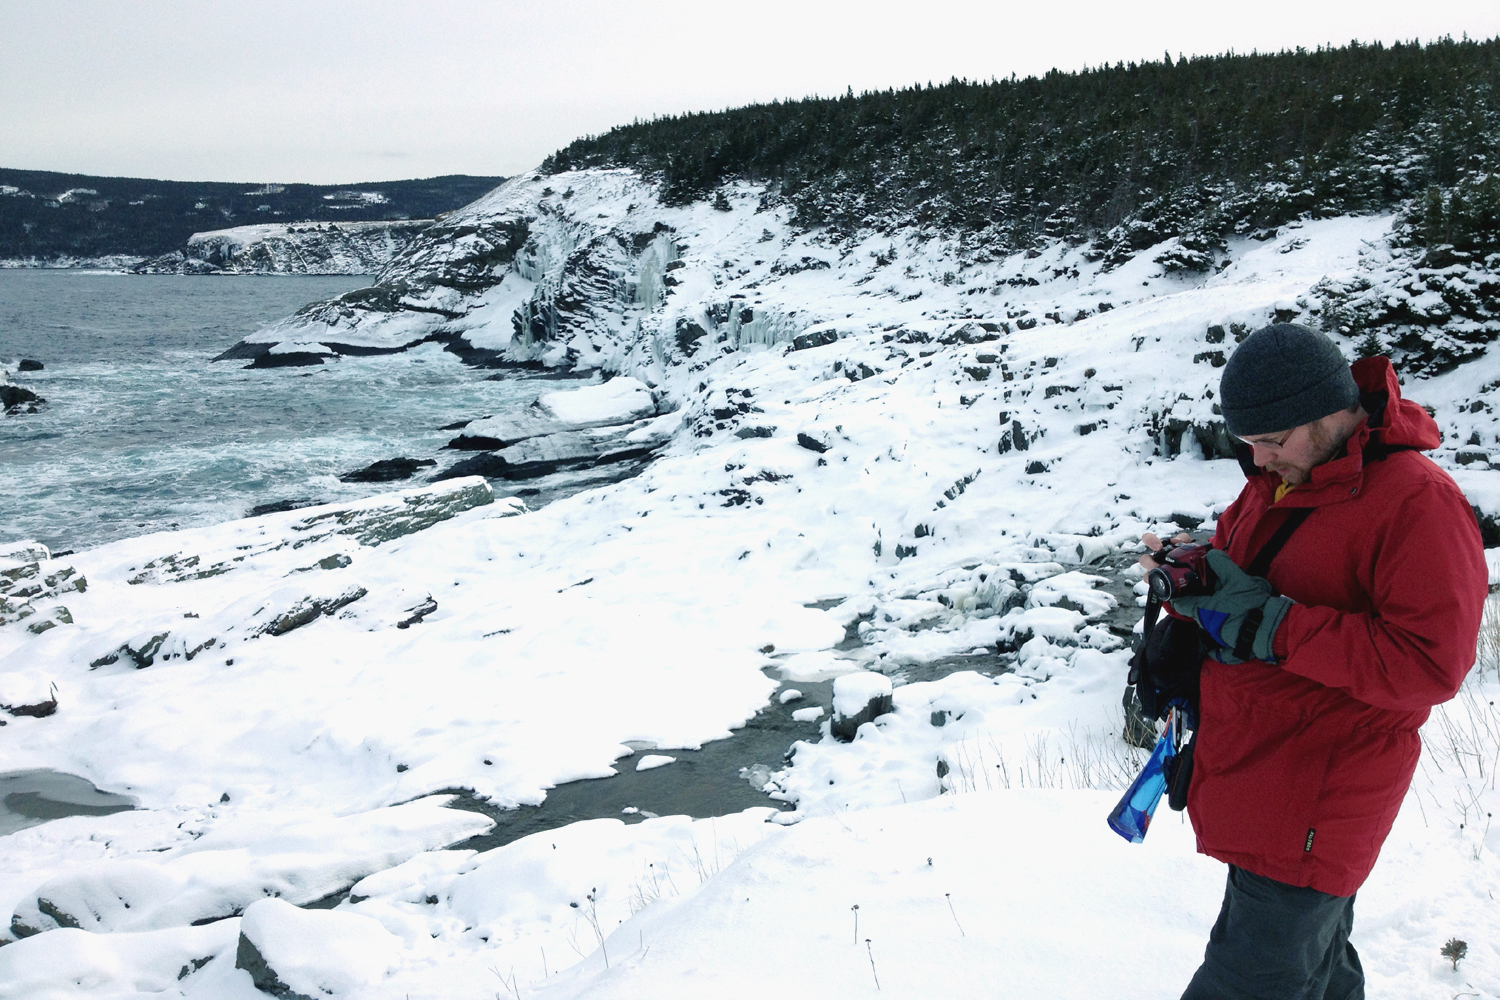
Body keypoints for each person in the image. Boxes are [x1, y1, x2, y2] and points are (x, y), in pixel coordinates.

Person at [1153, 323, 1488, 1000]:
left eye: (1274, 441)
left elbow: (1432, 665)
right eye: (1249, 445)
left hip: (1321, 790)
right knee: (1318, 967)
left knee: (1250, 980)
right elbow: (1254, 566)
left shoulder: (1416, 503)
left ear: (1332, 413)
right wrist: (1199, 578)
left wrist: (1275, 628)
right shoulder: (1279, 477)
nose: (1260, 459)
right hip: (1264, 770)